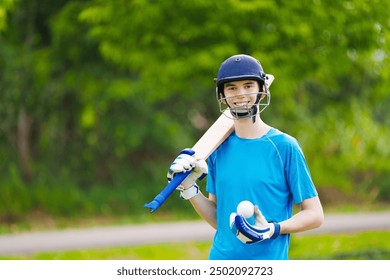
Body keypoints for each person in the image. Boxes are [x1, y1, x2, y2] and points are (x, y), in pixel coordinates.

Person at [167, 54, 324, 260]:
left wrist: (272, 229)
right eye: (232, 88)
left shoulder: (284, 147)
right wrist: (190, 190)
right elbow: (220, 220)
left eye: (248, 85)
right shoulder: (217, 149)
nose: (240, 94)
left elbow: (315, 215)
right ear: (222, 95)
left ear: (261, 90)